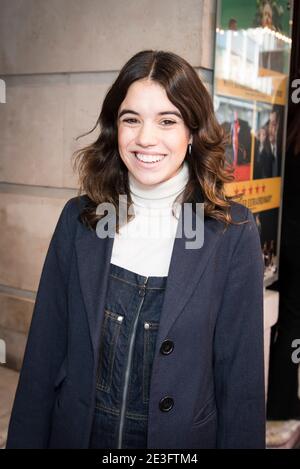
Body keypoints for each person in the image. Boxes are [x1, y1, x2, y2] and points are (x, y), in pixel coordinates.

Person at [6, 50, 265, 449]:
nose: (146, 138)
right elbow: (43, 354)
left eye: (167, 120)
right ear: (115, 128)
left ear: (192, 132)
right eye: (131, 120)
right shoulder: (83, 219)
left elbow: (241, 384)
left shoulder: (231, 233)